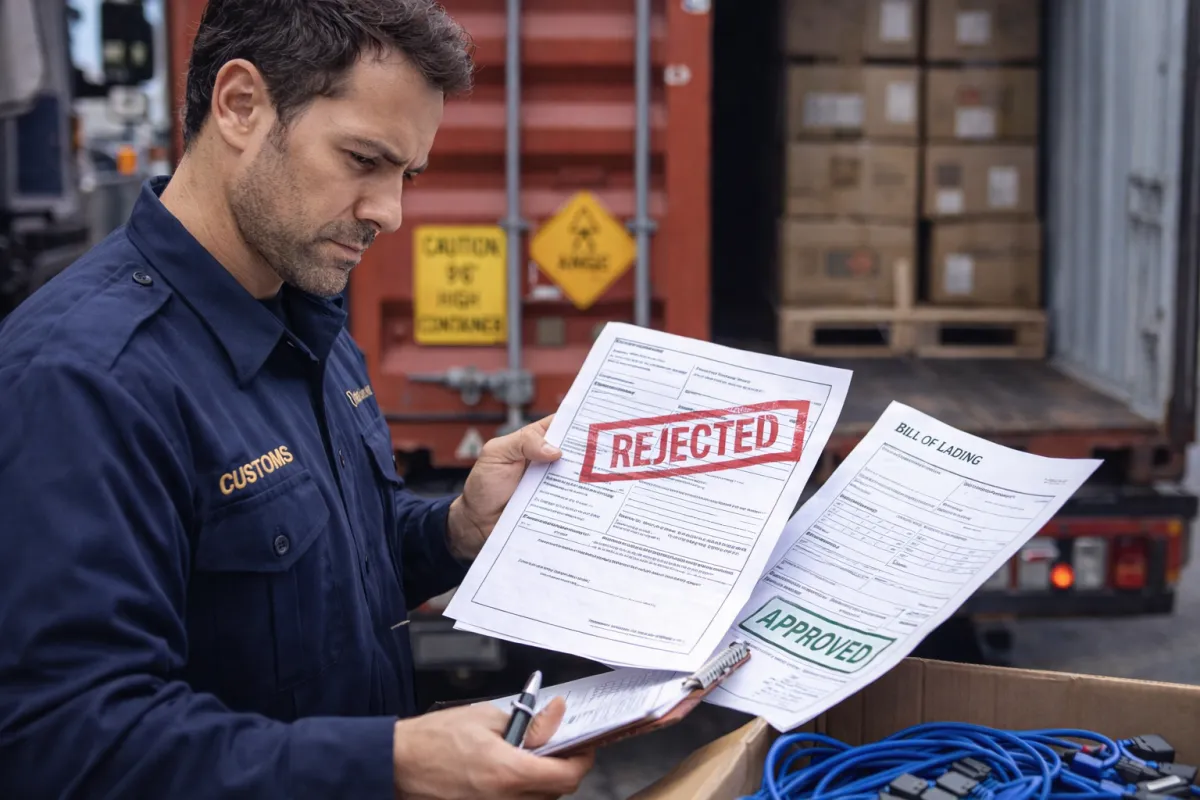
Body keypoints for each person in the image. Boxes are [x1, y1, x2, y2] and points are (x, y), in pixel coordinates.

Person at [0, 0, 595, 797]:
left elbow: (313, 557)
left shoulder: (302, 316)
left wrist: (453, 531)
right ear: (241, 105)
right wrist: (392, 761)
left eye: (406, 175)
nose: (389, 211)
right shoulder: (84, 382)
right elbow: (69, 743)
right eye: (362, 160)